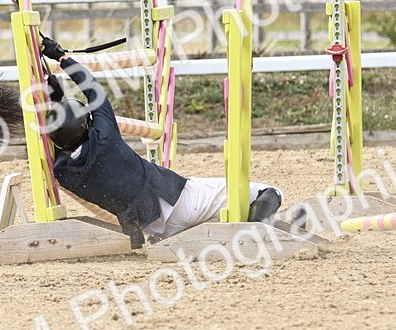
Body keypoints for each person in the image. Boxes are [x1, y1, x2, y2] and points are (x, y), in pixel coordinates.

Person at [39, 36, 282, 247]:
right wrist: (61, 57)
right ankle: (257, 237)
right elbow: (92, 88)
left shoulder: (63, 172)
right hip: (182, 201)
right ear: (86, 125)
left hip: (155, 229)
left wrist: (56, 99)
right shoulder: (104, 137)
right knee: (268, 192)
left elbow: (64, 139)